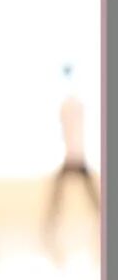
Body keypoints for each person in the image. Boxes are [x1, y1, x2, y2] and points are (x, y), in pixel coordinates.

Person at [44, 64, 100, 244]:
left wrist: (75, 153)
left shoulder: (73, 105)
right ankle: (51, 222)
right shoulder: (69, 105)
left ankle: (51, 221)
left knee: (88, 195)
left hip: (76, 156)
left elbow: (74, 131)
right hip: (72, 156)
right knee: (60, 194)